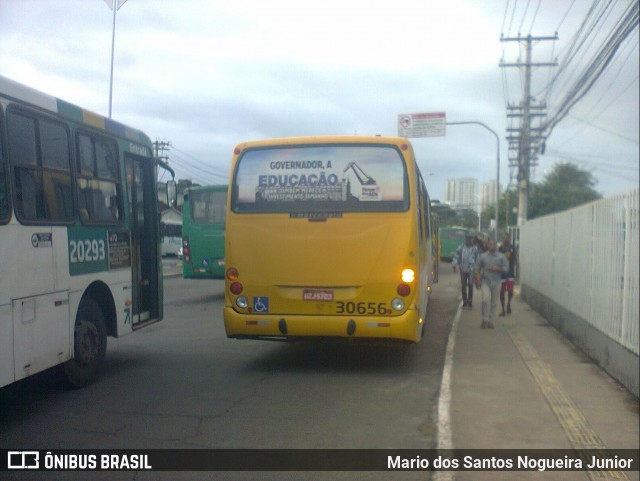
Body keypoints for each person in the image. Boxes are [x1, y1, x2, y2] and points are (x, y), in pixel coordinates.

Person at [474, 239, 508, 329]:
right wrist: (477, 278)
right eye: (490, 244)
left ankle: (491, 321)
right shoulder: (483, 256)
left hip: (497, 282)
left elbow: (506, 269)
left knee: (494, 303)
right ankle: (485, 319)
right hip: (486, 281)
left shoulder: (501, 257)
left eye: (494, 244)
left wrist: (497, 269)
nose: (492, 246)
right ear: (488, 245)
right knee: (485, 300)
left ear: (496, 246)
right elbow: (477, 267)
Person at [452, 233, 478, 309]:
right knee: (463, 286)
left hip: (471, 270)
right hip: (463, 269)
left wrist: (477, 270)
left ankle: (470, 302)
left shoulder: (475, 249)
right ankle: (464, 302)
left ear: (472, 240)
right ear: (465, 239)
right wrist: (454, 265)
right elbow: (456, 256)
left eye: (471, 239)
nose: (469, 240)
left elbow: (477, 259)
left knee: (470, 285)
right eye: (468, 239)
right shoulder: (461, 247)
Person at [499, 232, 517, 316]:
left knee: (510, 290)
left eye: (507, 238)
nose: (505, 239)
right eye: (504, 238)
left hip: (510, 272)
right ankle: (503, 310)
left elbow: (516, 259)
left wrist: (518, 272)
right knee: (502, 292)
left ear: (509, 239)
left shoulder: (512, 248)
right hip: (502, 273)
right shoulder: (500, 248)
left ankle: (509, 303)